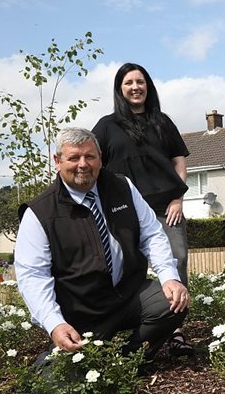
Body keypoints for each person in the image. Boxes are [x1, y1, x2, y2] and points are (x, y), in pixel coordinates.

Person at [15, 127, 189, 362]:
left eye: (90, 156)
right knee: (59, 384)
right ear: (57, 161)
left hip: (127, 295)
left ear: (100, 159)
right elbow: (33, 275)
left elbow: (152, 233)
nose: (83, 164)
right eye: (74, 157)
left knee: (171, 304)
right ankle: (77, 365)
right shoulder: (40, 213)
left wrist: (169, 276)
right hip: (82, 312)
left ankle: (126, 362)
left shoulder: (122, 187)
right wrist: (55, 324)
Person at [92, 63, 193, 356]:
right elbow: (93, 162)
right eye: (128, 83)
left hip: (165, 207)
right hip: (125, 211)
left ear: (148, 86)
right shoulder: (107, 125)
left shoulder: (162, 122)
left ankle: (175, 329)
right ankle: (120, 325)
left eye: (140, 82)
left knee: (178, 259)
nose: (135, 87)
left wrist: (178, 198)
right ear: (120, 89)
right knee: (124, 267)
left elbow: (179, 161)